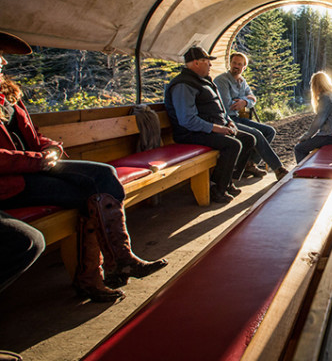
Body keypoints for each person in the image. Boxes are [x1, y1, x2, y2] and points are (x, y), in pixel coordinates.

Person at [0, 31, 166, 303]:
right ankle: (95, 276)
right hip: (11, 180)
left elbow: (33, 134)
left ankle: (118, 260)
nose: (4, 63)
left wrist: (50, 147)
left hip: (34, 166)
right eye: (0, 56)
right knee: (91, 197)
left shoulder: (9, 98)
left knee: (102, 175)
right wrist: (38, 161)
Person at [164, 46, 258, 203]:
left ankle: (228, 180)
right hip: (191, 133)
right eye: (207, 62)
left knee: (249, 139)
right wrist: (217, 128)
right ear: (196, 63)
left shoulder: (203, 82)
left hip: (213, 127)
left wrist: (228, 122)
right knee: (232, 145)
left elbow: (220, 108)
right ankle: (217, 188)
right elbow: (187, 120)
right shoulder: (183, 85)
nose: (210, 65)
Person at [213, 53, 289, 181]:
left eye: (239, 64)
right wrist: (244, 101)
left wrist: (244, 102)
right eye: (234, 63)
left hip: (237, 118)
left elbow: (253, 98)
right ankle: (278, 168)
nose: (236, 66)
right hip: (226, 119)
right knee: (256, 134)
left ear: (244, 67)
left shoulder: (242, 81)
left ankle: (250, 164)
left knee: (269, 131)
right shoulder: (222, 80)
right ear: (229, 63)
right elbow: (227, 105)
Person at [294, 72, 332, 163]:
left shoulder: (325, 97)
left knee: (299, 148)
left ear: (315, 85)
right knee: (310, 144)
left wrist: (306, 136)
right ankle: (310, 167)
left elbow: (319, 120)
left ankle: (306, 173)